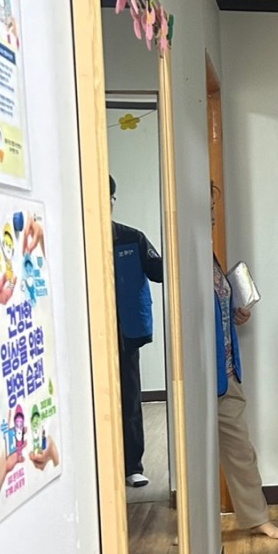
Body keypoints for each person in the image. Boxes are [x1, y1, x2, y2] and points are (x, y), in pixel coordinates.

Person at [213, 184, 278, 540]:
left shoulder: (210, 256)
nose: (212, 217)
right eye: (206, 210)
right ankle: (194, 527)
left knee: (241, 451)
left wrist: (233, 313)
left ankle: (256, 517)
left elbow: (213, 308)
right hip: (198, 378)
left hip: (226, 373)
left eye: (212, 210)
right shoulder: (184, 257)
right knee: (195, 459)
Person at [111, 175, 163, 488]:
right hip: (88, 337)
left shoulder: (133, 238)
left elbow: (160, 272)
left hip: (126, 333)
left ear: (112, 202)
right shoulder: (76, 238)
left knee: (129, 398)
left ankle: (133, 466)